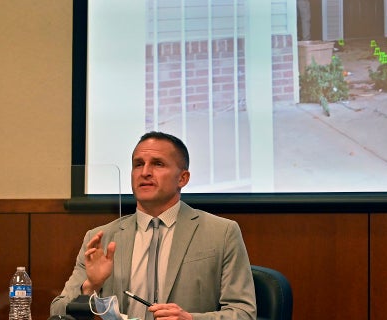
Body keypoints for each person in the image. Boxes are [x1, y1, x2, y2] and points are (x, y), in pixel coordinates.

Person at [51, 131, 257, 320]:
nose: (145, 172)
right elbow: (58, 311)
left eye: (158, 164)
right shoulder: (101, 238)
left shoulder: (221, 232)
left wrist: (191, 319)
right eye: (138, 164)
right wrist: (91, 286)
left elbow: (244, 313)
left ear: (183, 178)